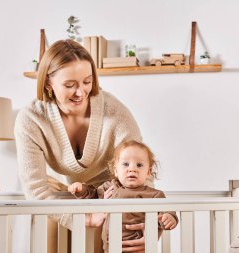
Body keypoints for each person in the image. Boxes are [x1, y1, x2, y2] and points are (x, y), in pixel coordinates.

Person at [14, 39, 145, 252]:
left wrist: (147, 226)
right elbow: (35, 188)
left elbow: (141, 169)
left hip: (108, 191)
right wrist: (81, 217)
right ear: (48, 83)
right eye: (69, 85)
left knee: (105, 238)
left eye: (87, 81)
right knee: (50, 227)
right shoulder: (31, 118)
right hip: (57, 190)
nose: (80, 92)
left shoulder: (115, 112)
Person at [68, 140, 179, 253]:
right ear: (116, 170)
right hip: (111, 247)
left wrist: (169, 218)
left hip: (140, 247)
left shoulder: (154, 195)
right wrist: (81, 189)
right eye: (125, 164)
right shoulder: (110, 187)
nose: (132, 169)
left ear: (148, 172)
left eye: (139, 165)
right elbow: (93, 195)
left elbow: (167, 211)